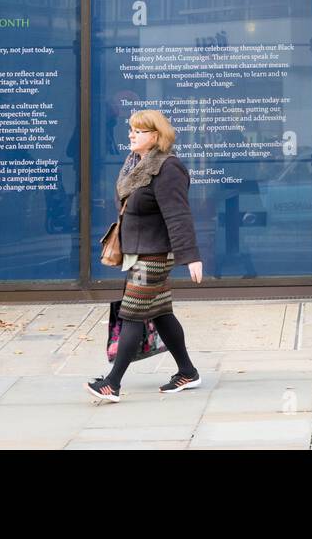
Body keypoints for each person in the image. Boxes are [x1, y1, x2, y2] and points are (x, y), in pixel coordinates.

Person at [87, 109, 204, 403]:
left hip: (155, 253)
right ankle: (188, 371)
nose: (131, 135)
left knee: (132, 314)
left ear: (155, 136)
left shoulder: (168, 168)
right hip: (137, 252)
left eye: (138, 131)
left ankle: (112, 383)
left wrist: (190, 256)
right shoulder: (133, 164)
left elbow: (178, 215)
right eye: (131, 129)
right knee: (161, 313)